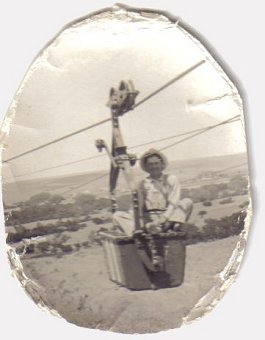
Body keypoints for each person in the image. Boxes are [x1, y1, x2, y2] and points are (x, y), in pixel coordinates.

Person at [113, 149, 193, 236]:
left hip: (168, 217)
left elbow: (173, 203)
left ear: (161, 164)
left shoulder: (171, 179)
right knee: (118, 215)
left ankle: (173, 225)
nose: (154, 167)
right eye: (150, 164)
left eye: (156, 163)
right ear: (146, 167)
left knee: (187, 202)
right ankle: (146, 229)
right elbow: (138, 206)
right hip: (149, 219)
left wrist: (164, 218)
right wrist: (139, 220)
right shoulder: (142, 184)